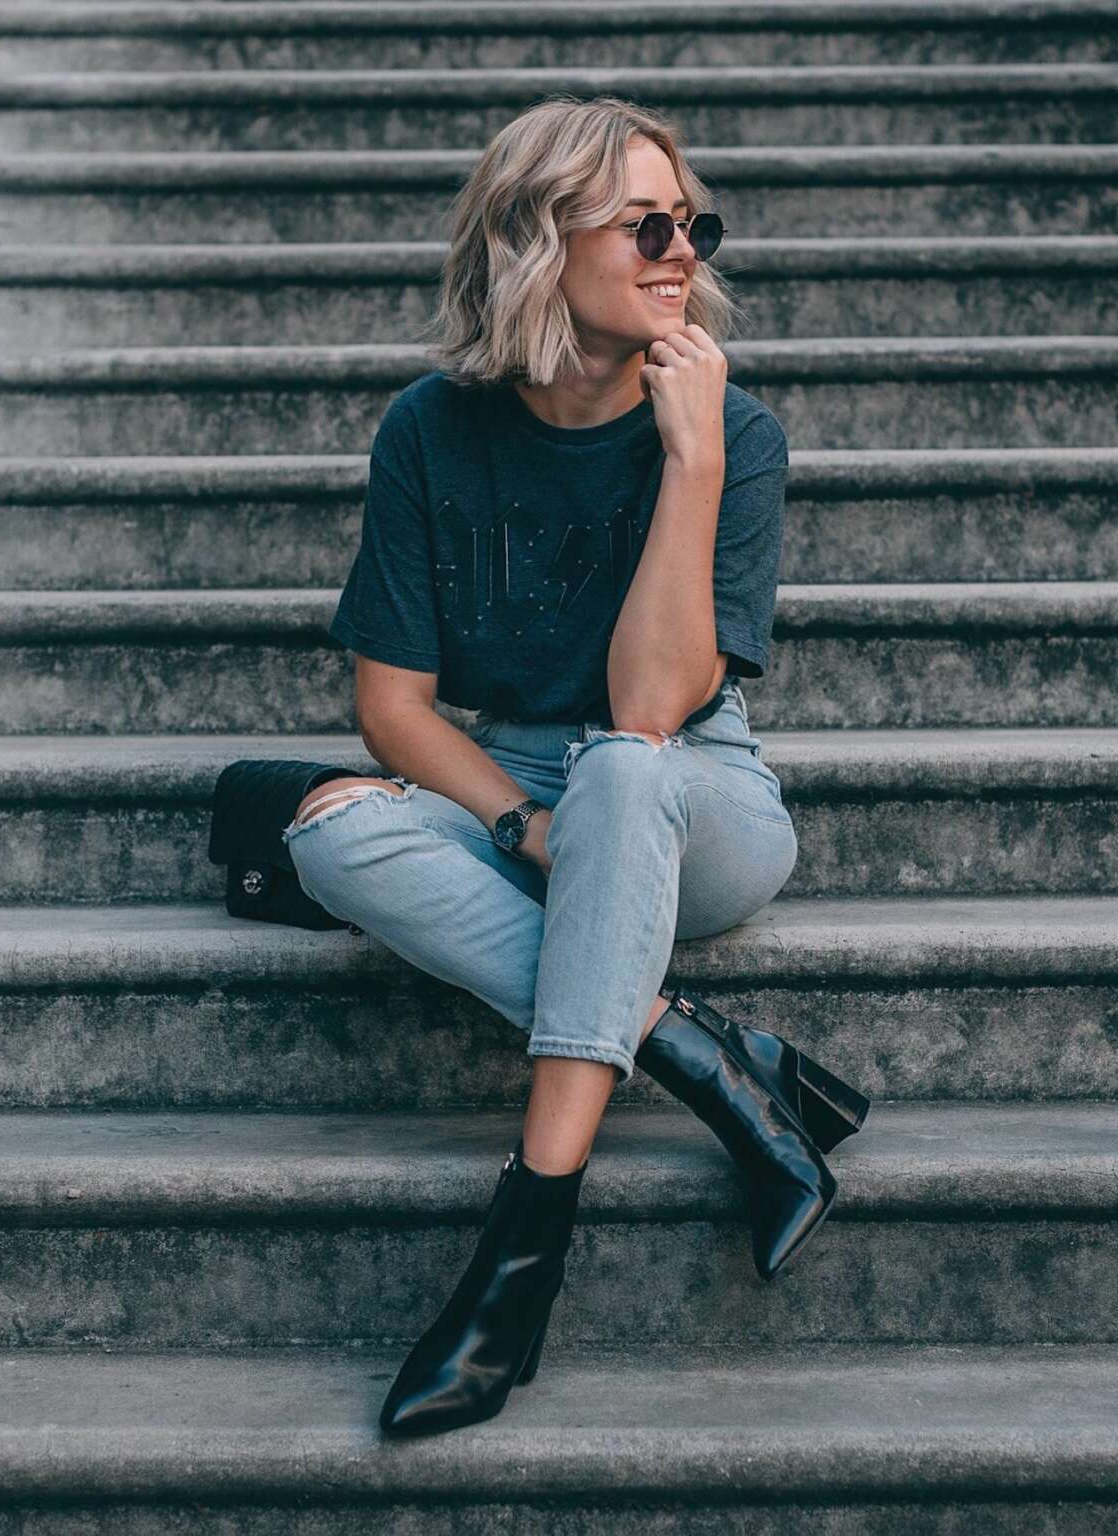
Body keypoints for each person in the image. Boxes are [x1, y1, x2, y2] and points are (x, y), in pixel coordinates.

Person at [280, 93, 869, 1439]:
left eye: (692, 224)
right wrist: (515, 825)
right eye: (645, 225)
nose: (682, 250)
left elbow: (653, 709)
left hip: (695, 796)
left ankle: (520, 1255)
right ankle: (707, 1057)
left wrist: (693, 455)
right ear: (537, 241)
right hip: (521, 784)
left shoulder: (734, 434)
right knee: (329, 833)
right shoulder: (432, 428)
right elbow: (393, 709)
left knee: (621, 768)